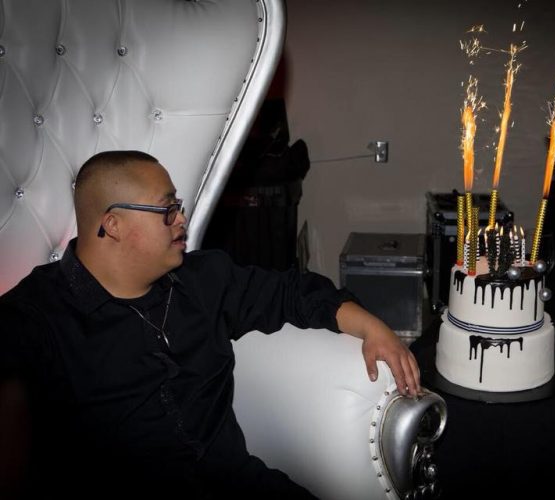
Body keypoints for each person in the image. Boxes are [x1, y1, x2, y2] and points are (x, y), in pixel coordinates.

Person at [0, 151, 421, 499]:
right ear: (112, 224)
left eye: (178, 207)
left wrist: (372, 327)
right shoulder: (36, 319)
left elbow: (290, 292)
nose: (181, 219)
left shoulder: (203, 279)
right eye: (167, 210)